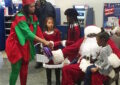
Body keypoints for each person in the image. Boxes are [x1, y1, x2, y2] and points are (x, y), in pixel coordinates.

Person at [51, 26, 120, 85]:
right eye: (89, 35)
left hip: (100, 67)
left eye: (93, 35)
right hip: (83, 64)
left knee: (94, 74)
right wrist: (54, 54)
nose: (91, 37)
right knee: (66, 69)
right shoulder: (83, 41)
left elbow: (116, 53)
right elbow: (71, 48)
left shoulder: (105, 42)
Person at [5, 0, 53, 85]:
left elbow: (38, 31)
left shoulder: (33, 17)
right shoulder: (19, 17)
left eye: (34, 6)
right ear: (26, 7)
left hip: (25, 45)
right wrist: (44, 41)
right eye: (31, 6)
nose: (33, 8)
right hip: (15, 46)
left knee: (24, 70)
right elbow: (27, 33)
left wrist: (46, 43)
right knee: (16, 70)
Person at [43, 17, 61, 85]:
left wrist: (53, 44)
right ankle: (49, 81)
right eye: (49, 23)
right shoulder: (44, 33)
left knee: (57, 68)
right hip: (48, 53)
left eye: (52, 23)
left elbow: (59, 41)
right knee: (48, 68)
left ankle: (58, 82)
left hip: (56, 53)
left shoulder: (56, 32)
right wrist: (46, 48)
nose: (51, 24)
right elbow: (43, 43)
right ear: (46, 24)